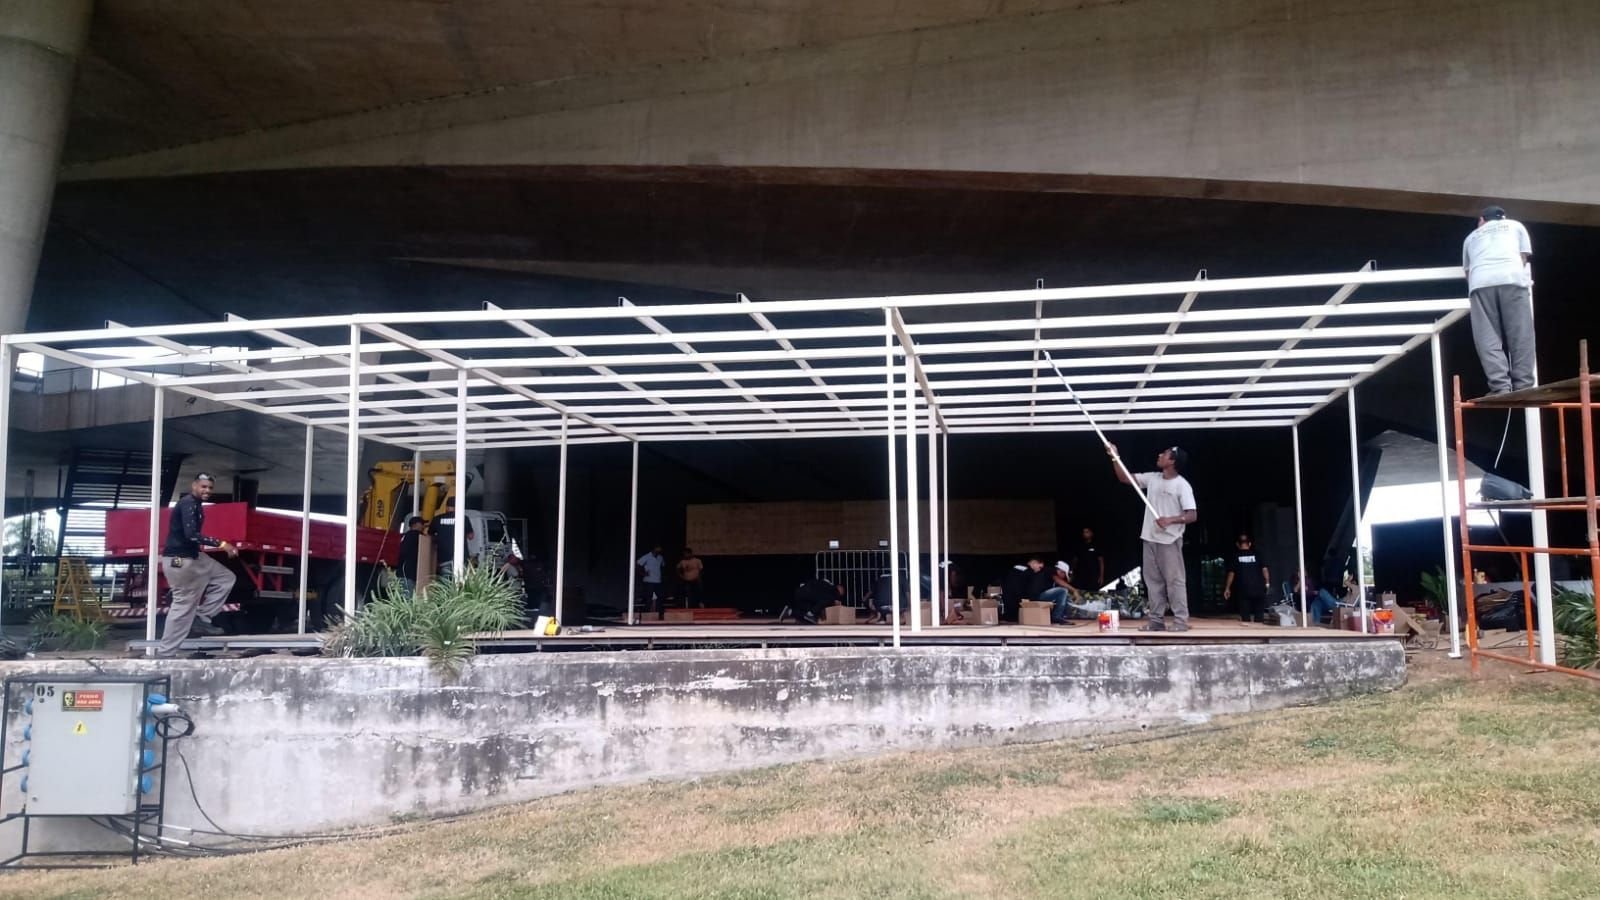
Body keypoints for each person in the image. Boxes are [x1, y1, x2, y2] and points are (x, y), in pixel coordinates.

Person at [1107, 443, 1197, 632]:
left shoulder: (1182, 485)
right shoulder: (1153, 478)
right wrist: (1115, 456)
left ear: (1172, 461)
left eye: (1165, 453)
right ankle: (1156, 621)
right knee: (1153, 582)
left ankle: (1181, 621)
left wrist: (1171, 520)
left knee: (1174, 581)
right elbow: (1124, 477)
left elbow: (1192, 515)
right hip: (1149, 538)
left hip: (1169, 540)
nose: (1160, 454)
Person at [157, 473, 239, 657]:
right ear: (194, 486)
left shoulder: (196, 504)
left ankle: (202, 616)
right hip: (179, 559)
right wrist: (222, 544)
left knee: (225, 577)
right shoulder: (188, 503)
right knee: (183, 605)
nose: (207, 490)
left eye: (210, 488)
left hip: (193, 556)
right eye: (203, 487)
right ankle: (165, 653)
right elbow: (191, 535)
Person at [1462, 205, 1535, 394]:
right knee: (1520, 333)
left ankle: (1500, 386)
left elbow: (1468, 272)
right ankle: (1524, 385)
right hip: (1512, 279)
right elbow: (1523, 258)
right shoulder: (1516, 226)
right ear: (1503, 218)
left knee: (1487, 337)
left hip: (1481, 283)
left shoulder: (1471, 237)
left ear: (1481, 220)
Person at [1223, 533, 1271, 624]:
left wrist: (1227, 588)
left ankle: (1248, 630)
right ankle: (1259, 630)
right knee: (1259, 615)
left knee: (1245, 617)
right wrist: (1267, 583)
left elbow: (1231, 573)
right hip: (1258, 589)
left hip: (1243, 590)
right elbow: (1265, 570)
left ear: (1237, 544)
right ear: (1249, 544)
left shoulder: (1235, 556)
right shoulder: (1258, 555)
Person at [1039, 561, 1082, 626]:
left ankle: (1063, 616)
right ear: (1061, 571)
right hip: (1038, 595)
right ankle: (1056, 616)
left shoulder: (1052, 578)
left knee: (1065, 594)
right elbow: (1058, 581)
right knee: (1063, 590)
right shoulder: (1050, 571)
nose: (1064, 577)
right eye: (1064, 575)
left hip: (1045, 595)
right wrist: (1074, 590)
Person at [395, 515, 425, 593]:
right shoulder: (417, 536)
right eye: (422, 524)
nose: (423, 526)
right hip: (410, 573)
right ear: (416, 525)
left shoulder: (405, 536)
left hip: (402, 572)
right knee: (409, 596)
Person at [1071, 527, 1106, 592]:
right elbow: (1075, 560)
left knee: (1093, 593)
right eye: (1083, 532)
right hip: (1081, 576)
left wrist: (1101, 576)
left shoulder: (1096, 545)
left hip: (1093, 576)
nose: (1085, 534)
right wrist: (1072, 573)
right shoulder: (1079, 546)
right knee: (1081, 592)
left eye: (1087, 532)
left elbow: (1101, 562)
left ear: (1091, 533)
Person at [636, 545, 666, 619]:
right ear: (654, 548)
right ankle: (646, 614)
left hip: (658, 581)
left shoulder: (660, 557)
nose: (659, 550)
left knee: (660, 597)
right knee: (648, 598)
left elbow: (663, 566)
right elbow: (638, 564)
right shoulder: (647, 556)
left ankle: (659, 614)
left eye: (660, 549)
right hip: (649, 581)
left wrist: (661, 575)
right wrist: (643, 573)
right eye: (658, 548)